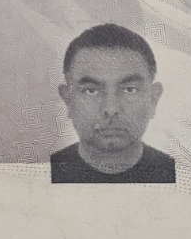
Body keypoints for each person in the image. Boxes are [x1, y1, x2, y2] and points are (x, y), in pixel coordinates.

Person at [50, 23, 176, 183]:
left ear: (153, 99)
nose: (110, 109)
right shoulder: (40, 174)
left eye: (130, 89)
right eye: (91, 91)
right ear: (68, 100)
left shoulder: (182, 175)